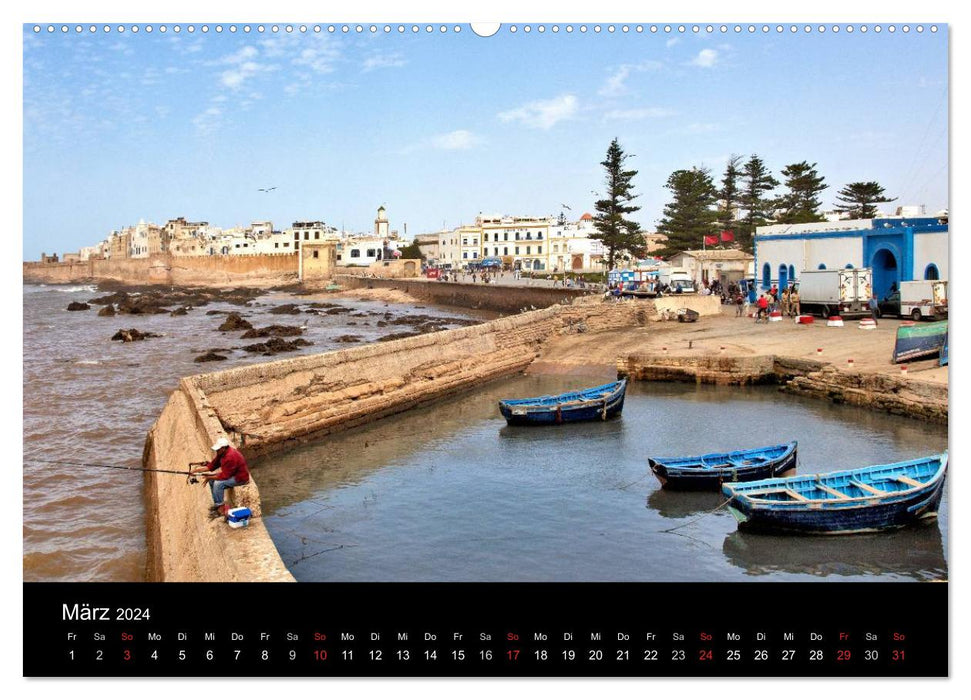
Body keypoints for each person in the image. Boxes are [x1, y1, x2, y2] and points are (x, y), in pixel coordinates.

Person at [190, 436, 251, 517]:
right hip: (232, 474)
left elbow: (224, 476)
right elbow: (212, 466)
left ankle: (220, 508)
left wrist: (209, 477)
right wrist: (196, 471)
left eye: (218, 449)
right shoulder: (221, 453)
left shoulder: (230, 457)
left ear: (223, 448)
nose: (216, 451)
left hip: (240, 478)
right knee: (212, 481)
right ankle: (217, 505)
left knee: (218, 484)